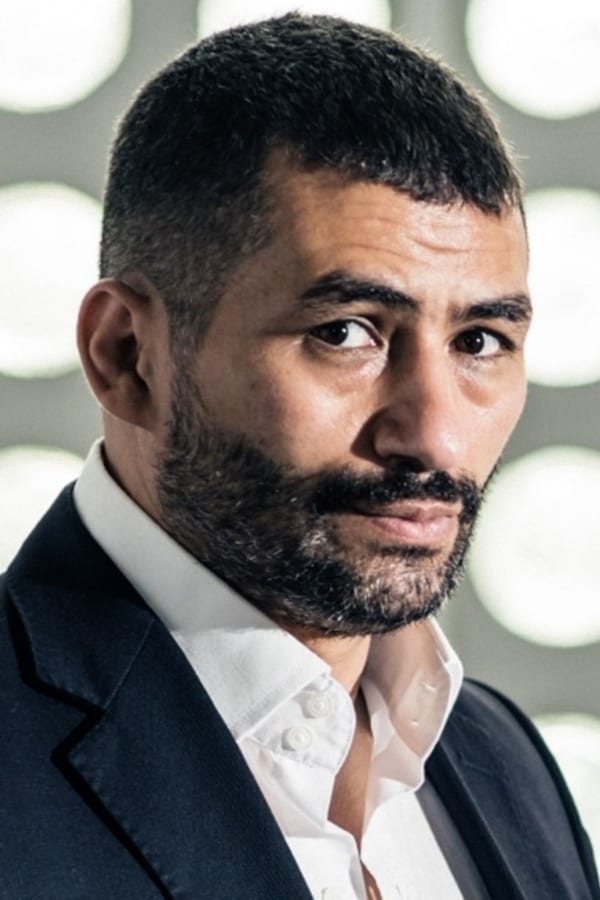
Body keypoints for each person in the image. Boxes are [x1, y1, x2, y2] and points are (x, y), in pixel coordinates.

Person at [1, 13, 598, 900]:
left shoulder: (506, 762)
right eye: (345, 333)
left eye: (479, 340)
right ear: (126, 355)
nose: (435, 437)